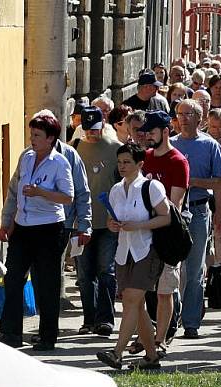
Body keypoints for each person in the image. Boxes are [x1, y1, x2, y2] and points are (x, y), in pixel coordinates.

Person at [1, 109, 91, 343]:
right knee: (13, 278)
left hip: (49, 228)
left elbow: (69, 196)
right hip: (23, 225)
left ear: (51, 138)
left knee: (47, 282)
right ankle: (11, 333)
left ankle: (47, 336)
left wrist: (41, 192)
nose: (32, 139)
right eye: (32, 134)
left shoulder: (61, 161)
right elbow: (13, 190)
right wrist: (7, 221)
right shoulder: (26, 157)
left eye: (37, 135)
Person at [96, 143, 171, 370]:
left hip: (147, 250)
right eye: (119, 162)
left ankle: (117, 353)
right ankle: (151, 356)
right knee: (137, 306)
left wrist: (139, 225)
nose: (122, 166)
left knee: (131, 300)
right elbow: (114, 221)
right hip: (123, 252)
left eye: (127, 162)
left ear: (140, 164)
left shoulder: (151, 187)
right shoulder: (117, 189)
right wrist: (113, 225)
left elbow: (165, 217)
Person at [170, 100, 221, 339]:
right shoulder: (170, 145)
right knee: (171, 268)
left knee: (194, 269)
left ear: (200, 117)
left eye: (188, 114)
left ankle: (191, 321)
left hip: (197, 210)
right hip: (172, 213)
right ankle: (170, 318)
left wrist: (220, 213)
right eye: (180, 114)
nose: (183, 118)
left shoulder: (209, 145)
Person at [70, 106, 123, 336]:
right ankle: (88, 319)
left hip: (108, 221)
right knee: (84, 273)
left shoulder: (116, 149)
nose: (92, 133)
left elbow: (124, 184)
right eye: (88, 129)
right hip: (81, 222)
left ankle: (105, 319)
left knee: (106, 271)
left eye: (96, 128)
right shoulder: (75, 149)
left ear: (103, 126)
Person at [140, 111, 190, 354]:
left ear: (165, 132)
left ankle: (160, 339)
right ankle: (145, 335)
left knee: (164, 291)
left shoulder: (177, 161)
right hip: (143, 233)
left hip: (168, 236)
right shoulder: (145, 158)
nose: (148, 135)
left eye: (152, 131)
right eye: (147, 131)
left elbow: (175, 204)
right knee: (142, 290)